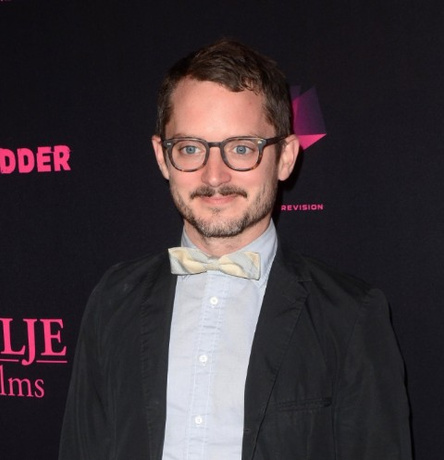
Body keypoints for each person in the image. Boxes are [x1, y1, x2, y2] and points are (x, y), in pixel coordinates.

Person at [59, 39, 412, 460]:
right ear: (162, 156)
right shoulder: (114, 299)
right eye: (190, 148)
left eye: (242, 148)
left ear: (285, 157)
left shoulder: (350, 316)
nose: (214, 175)